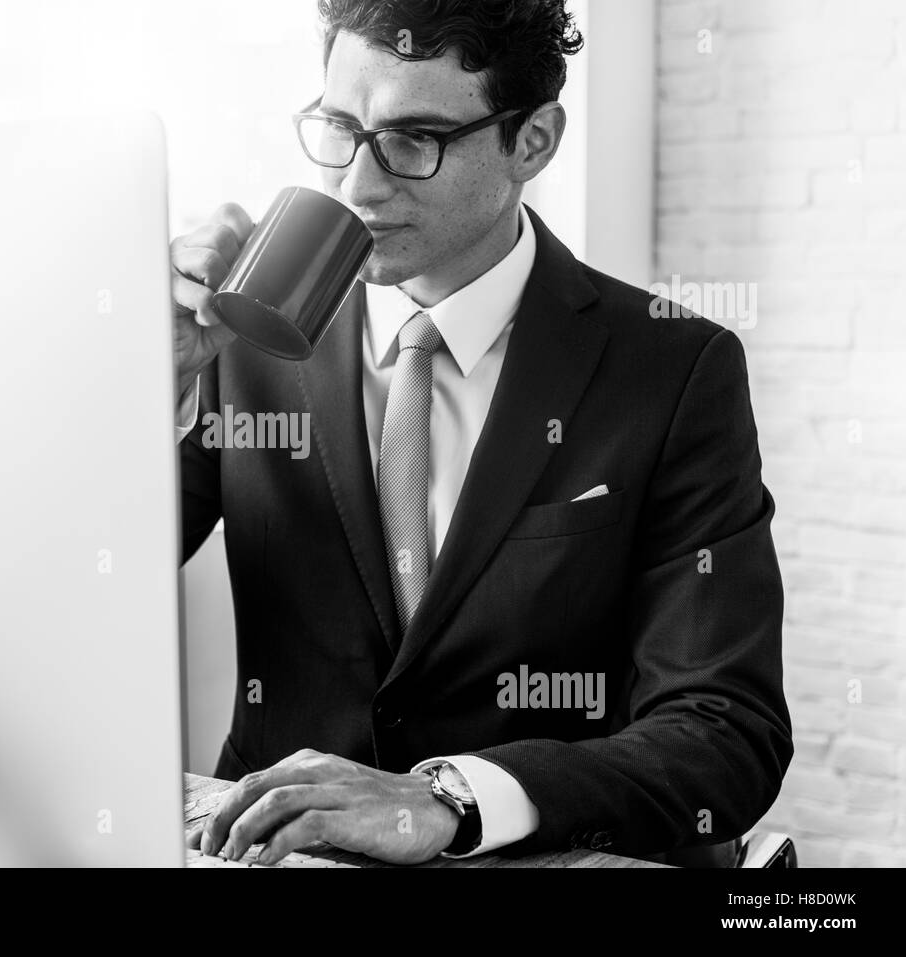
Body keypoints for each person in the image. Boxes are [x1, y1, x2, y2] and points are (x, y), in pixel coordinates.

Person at [173, 0, 792, 866]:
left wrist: (448, 798)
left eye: (412, 139)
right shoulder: (247, 341)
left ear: (533, 141)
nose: (359, 184)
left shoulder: (673, 369)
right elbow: (78, 585)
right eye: (340, 129)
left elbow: (726, 730)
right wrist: (155, 372)